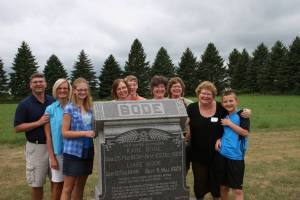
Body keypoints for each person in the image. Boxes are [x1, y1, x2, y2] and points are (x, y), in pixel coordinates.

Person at [185, 81, 250, 200]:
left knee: (217, 182)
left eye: (209, 94)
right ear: (198, 93)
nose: (205, 96)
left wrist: (246, 111)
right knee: (199, 182)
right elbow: (186, 124)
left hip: (219, 153)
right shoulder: (192, 108)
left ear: (213, 95)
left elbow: (234, 112)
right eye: (203, 93)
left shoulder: (221, 107)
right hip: (198, 153)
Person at [14, 73, 54, 200]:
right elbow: (17, 128)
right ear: (31, 85)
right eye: (35, 82)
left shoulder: (52, 101)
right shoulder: (24, 104)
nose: (38, 84)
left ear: (45, 84)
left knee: (57, 181)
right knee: (37, 184)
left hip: (54, 146)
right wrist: (39, 123)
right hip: (36, 148)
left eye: (41, 81)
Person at [60, 78, 95, 200]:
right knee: (68, 188)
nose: (83, 92)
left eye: (85, 89)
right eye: (80, 89)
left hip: (88, 150)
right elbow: (64, 133)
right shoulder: (69, 108)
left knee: (81, 186)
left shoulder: (90, 107)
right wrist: (84, 133)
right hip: (73, 152)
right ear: (74, 91)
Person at [215, 89, 250, 200]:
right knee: (223, 186)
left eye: (231, 101)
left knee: (238, 190)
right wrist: (219, 139)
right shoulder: (225, 115)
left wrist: (230, 124)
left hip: (236, 157)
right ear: (222, 103)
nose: (228, 103)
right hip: (222, 154)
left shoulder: (242, 115)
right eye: (225, 101)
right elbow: (226, 133)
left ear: (237, 101)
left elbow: (245, 133)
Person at [44, 79, 72, 200]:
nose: (62, 90)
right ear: (55, 90)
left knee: (71, 185)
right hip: (58, 153)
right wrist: (52, 158)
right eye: (59, 88)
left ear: (69, 90)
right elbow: (48, 136)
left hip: (72, 152)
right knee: (57, 185)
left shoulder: (75, 107)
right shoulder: (50, 109)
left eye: (65, 88)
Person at [167, 77, 193, 173]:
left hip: (186, 136)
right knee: (170, 162)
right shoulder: (165, 102)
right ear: (169, 89)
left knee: (184, 163)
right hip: (169, 136)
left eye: (179, 86)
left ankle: (182, 184)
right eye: (174, 86)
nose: (177, 89)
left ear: (182, 88)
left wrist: (187, 137)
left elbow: (193, 121)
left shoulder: (189, 103)